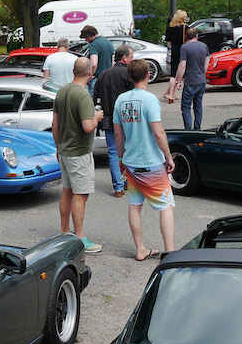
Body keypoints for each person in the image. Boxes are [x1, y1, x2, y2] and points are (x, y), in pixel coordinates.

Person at [113, 59, 176, 261]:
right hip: (151, 162)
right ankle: (170, 251)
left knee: (135, 204)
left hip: (131, 162)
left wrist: (121, 157)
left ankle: (140, 249)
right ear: (148, 75)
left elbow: (118, 134)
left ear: (130, 77)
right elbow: (158, 133)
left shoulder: (120, 100)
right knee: (166, 205)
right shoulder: (150, 99)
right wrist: (168, 156)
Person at [51, 56, 103, 253]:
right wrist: (97, 117)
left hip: (64, 150)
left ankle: (65, 231)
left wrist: (58, 147)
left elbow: (55, 123)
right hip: (79, 152)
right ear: (90, 73)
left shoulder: (62, 90)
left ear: (73, 71)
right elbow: (88, 126)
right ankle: (80, 238)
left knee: (67, 191)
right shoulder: (83, 95)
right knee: (80, 195)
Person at [95, 46, 134, 197]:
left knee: (113, 152)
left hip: (108, 119)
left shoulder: (103, 74)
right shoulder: (129, 74)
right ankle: (126, 180)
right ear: (124, 58)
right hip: (126, 119)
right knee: (129, 151)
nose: (132, 60)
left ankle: (118, 186)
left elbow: (96, 98)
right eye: (131, 57)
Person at [174, 27, 210, 130]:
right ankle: (197, 128)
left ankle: (188, 129)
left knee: (186, 106)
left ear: (186, 37)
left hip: (190, 81)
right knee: (198, 106)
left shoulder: (184, 48)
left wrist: (178, 80)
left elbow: (182, 65)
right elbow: (207, 62)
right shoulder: (204, 46)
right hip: (201, 80)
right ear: (197, 36)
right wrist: (203, 73)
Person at [164, 9, 188, 90]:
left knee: (173, 73)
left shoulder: (170, 28)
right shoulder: (185, 28)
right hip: (183, 49)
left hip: (174, 50)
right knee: (185, 69)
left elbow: (168, 40)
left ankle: (171, 93)